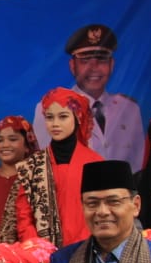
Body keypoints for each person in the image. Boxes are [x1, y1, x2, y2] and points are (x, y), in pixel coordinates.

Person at [32, 24, 145, 171]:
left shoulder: (129, 108)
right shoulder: (48, 109)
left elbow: (138, 165)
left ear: (112, 64)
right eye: (85, 60)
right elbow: (44, 165)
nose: (94, 67)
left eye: (101, 59)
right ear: (72, 66)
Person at [14, 88, 103, 247]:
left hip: (87, 252)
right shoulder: (33, 165)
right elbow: (24, 216)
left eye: (63, 117)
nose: (55, 124)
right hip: (43, 256)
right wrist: (39, 248)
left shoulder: (95, 163)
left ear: (77, 118)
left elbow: (102, 211)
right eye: (49, 117)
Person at [0, 116, 39, 246]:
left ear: (27, 145)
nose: (5, 145)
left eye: (13, 139)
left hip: (24, 258)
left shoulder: (36, 181)